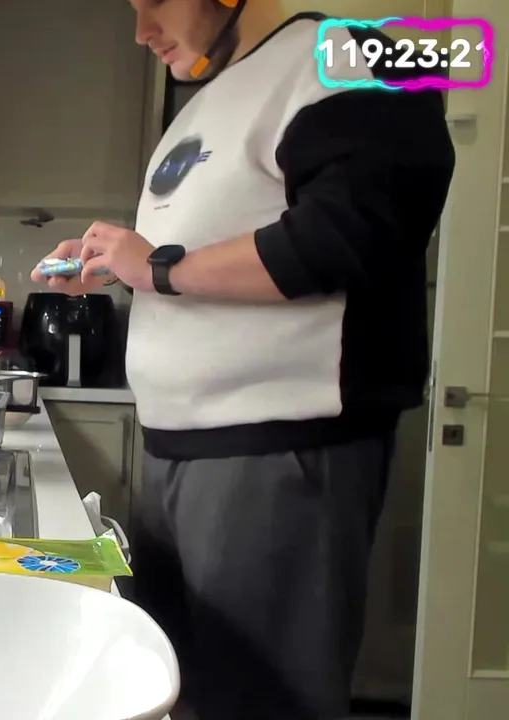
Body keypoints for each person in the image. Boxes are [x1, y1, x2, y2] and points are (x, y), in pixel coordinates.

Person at [30, 1, 455, 718]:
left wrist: (159, 266)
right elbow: (208, 258)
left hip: (278, 454)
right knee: (180, 695)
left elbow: (350, 235)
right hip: (176, 454)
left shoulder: (349, 56)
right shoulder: (207, 103)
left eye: (155, 2)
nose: (141, 31)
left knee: (260, 703)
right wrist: (122, 264)